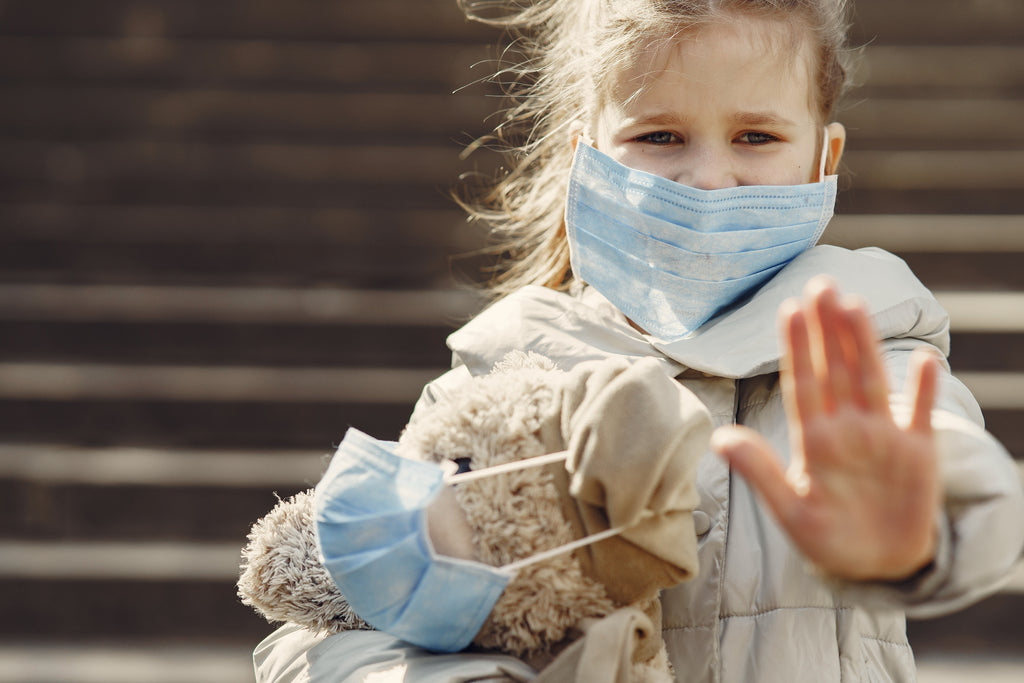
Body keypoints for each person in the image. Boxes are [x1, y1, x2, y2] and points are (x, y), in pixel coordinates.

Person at [252, 0, 1024, 680]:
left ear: (826, 159)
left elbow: (938, 444)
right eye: (660, 135)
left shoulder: (865, 337)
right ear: (587, 158)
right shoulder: (502, 376)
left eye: (756, 136)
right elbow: (331, 619)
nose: (709, 178)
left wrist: (919, 515)